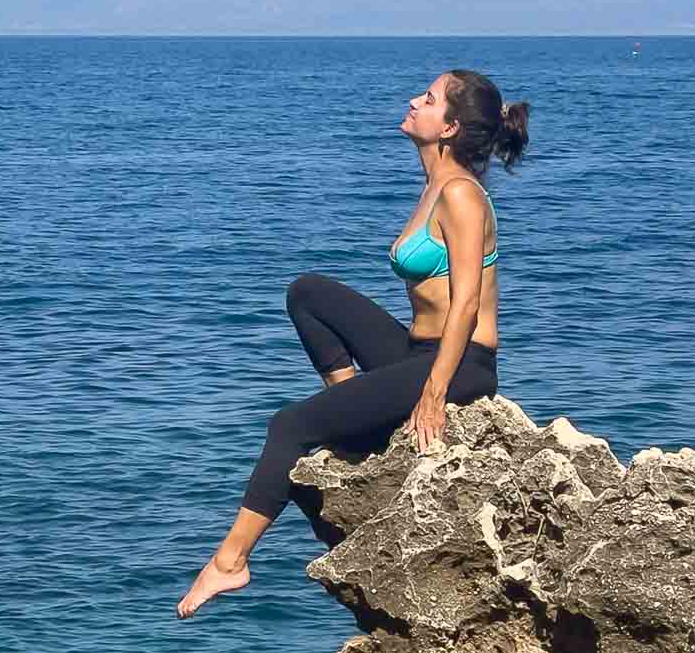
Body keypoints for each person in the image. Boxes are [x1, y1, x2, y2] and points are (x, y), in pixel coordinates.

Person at [176, 71, 531, 619]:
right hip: (419, 351)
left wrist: (434, 394)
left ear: (450, 127)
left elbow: (464, 304)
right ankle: (357, 429)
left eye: (429, 99)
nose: (415, 100)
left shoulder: (461, 195)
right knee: (309, 293)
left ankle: (231, 562)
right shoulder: (434, 184)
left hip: (462, 366)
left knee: (290, 426)